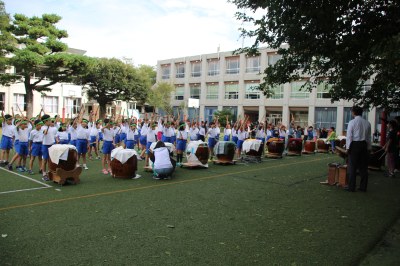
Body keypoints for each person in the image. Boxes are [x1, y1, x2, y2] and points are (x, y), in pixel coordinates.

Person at [346, 106, 371, 192]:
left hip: (355, 145)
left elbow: (349, 136)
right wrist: (369, 148)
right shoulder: (367, 123)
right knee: (363, 167)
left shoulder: (352, 122)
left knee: (352, 166)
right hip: (364, 145)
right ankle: (363, 187)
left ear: (353, 112)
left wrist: (348, 147)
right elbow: (368, 137)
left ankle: (351, 187)